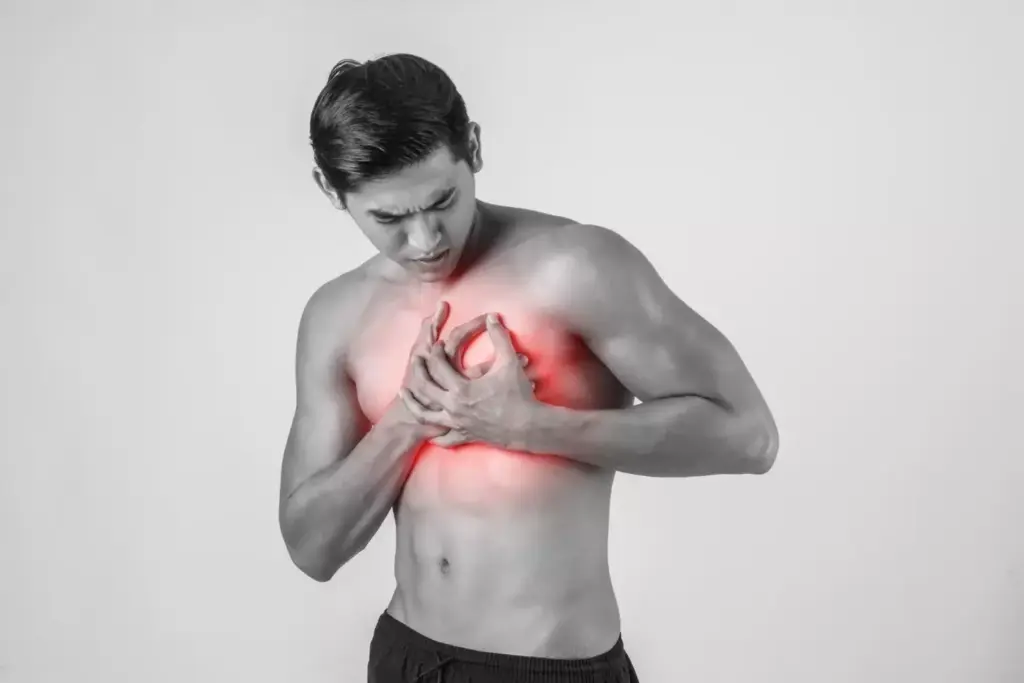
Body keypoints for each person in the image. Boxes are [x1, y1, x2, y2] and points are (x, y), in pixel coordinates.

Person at [278, 53, 779, 683]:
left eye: (442, 201)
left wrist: (528, 427)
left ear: (475, 149)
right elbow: (311, 548)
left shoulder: (574, 267)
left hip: (545, 667)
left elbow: (750, 436)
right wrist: (406, 420)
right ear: (333, 192)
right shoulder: (336, 315)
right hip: (404, 655)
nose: (427, 238)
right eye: (390, 219)